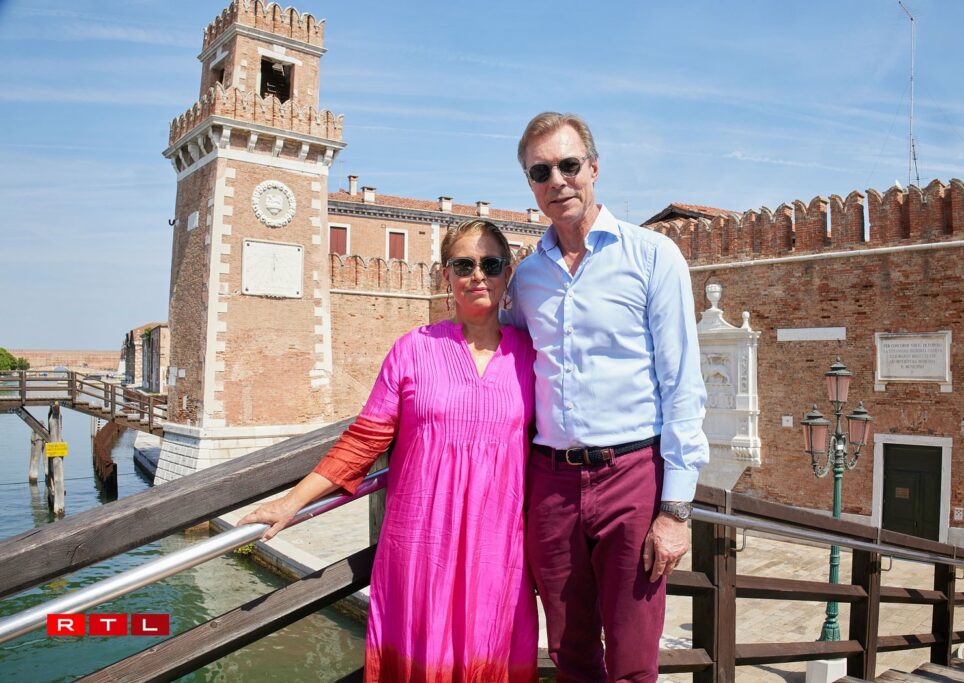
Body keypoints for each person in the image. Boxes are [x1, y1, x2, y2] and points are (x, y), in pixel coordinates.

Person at [239, 219, 539, 683]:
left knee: (491, 653)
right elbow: (365, 439)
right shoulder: (413, 350)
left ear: (507, 274)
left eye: (490, 264)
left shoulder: (532, 355)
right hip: (422, 545)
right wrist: (291, 503)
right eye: (464, 264)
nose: (478, 275)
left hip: (497, 548)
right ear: (446, 276)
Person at [504, 111, 709, 682]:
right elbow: (505, 361)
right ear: (531, 184)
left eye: (569, 165)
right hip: (551, 484)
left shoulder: (652, 256)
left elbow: (682, 385)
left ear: (594, 169)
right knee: (569, 654)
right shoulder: (526, 278)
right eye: (541, 171)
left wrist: (675, 510)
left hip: (632, 477)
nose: (557, 181)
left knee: (633, 657)